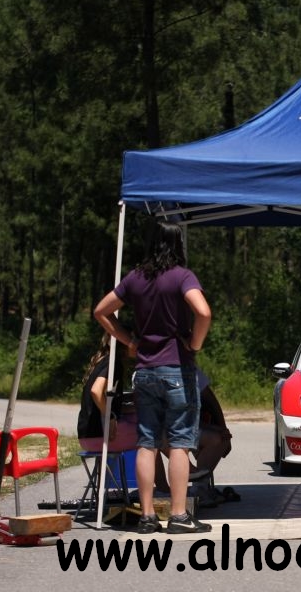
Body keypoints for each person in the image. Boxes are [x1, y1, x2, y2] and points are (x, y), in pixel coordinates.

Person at [94, 220, 213, 535]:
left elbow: (101, 311)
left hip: (144, 370)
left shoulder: (135, 278)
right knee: (179, 443)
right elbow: (203, 312)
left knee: (146, 443)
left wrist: (129, 341)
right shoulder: (182, 276)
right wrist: (195, 344)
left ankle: (146, 516)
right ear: (178, 244)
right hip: (177, 369)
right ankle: (178, 515)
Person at [153, 367, 235, 507]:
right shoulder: (147, 373)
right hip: (164, 432)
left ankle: (199, 488)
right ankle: (163, 488)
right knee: (151, 437)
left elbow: (211, 400)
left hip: (188, 427)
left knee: (221, 438)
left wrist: (222, 428)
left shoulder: (189, 369)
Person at [76, 334, 137, 453]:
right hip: (99, 436)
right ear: (124, 344)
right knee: (151, 436)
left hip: (86, 435)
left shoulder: (102, 360)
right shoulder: (113, 363)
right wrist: (110, 417)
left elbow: (105, 403)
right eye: (134, 340)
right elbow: (96, 391)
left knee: (150, 435)